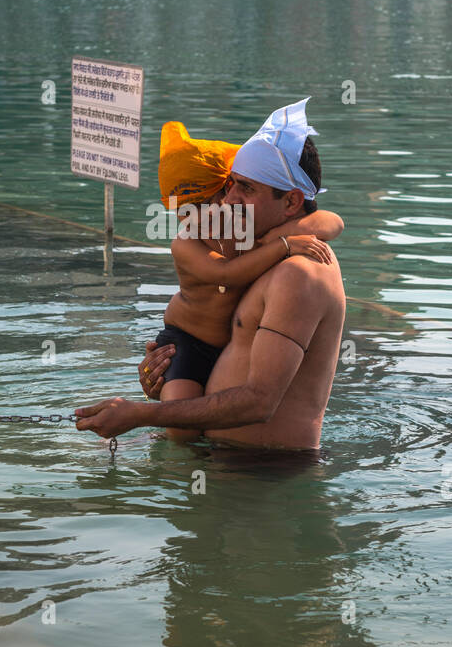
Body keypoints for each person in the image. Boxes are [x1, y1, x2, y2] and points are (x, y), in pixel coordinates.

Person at [77, 100, 347, 452]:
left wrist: (140, 415)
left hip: (260, 480)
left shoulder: (299, 271)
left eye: (246, 189)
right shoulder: (262, 252)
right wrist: (164, 379)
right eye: (231, 184)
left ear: (293, 202)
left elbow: (259, 403)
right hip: (215, 463)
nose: (229, 200)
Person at [140, 120, 342, 424]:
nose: (195, 218)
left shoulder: (293, 267)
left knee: (172, 425)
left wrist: (138, 415)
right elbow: (227, 274)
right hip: (183, 345)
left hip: (250, 463)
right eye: (183, 210)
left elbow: (332, 221)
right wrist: (148, 404)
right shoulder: (191, 243)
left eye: (243, 188)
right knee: (175, 429)